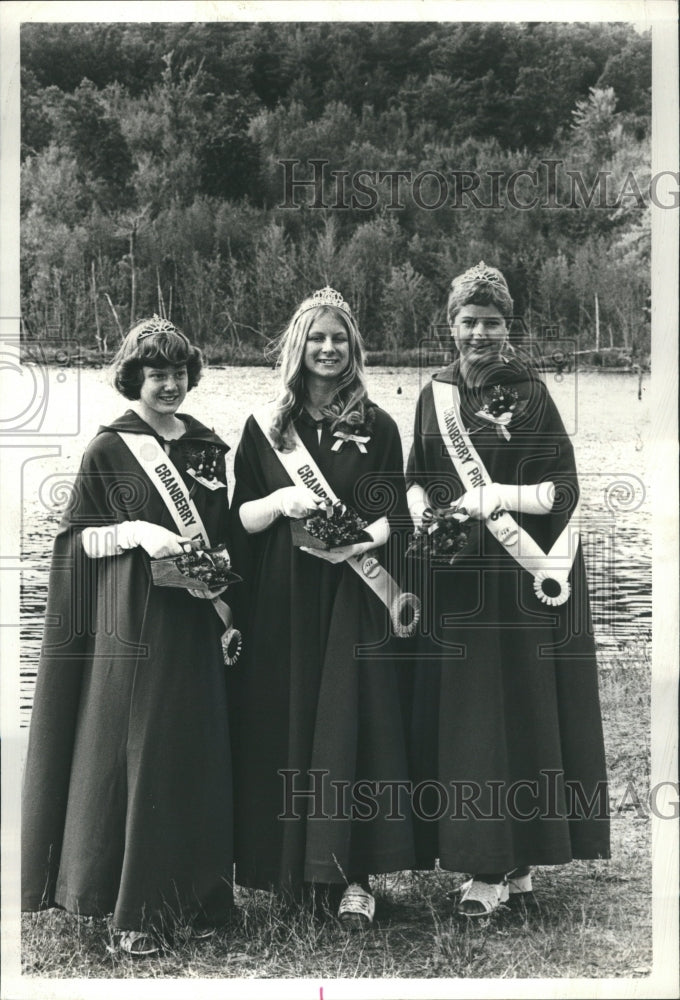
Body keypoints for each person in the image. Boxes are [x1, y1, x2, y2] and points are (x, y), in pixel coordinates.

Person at [22, 316, 235, 955]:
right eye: (156, 373)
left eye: (177, 373)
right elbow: (76, 540)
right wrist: (134, 533)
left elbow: (222, 529)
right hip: (135, 623)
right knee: (135, 754)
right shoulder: (109, 448)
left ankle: (197, 897)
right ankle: (132, 910)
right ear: (134, 378)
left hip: (196, 617)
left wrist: (218, 563)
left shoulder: (208, 446)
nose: (168, 384)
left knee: (190, 752)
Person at [406, 262, 610, 916]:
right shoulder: (433, 393)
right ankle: (502, 856)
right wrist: (419, 512)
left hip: (522, 576)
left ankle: (497, 868)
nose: (480, 334)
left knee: (517, 710)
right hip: (461, 574)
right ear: (451, 325)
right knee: (472, 717)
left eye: (492, 322)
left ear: (508, 327)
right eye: (469, 321)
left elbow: (563, 489)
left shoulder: (532, 394)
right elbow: (416, 473)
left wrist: (497, 496)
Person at [229, 287, 416, 926]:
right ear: (297, 348)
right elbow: (241, 519)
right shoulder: (264, 429)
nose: (328, 349)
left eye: (339, 338)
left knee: (347, 723)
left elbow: (394, 518)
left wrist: (363, 539)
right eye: (317, 338)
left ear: (354, 347)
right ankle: (290, 872)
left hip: (351, 593)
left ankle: (354, 876)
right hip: (282, 594)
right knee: (288, 719)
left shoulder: (380, 425)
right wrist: (282, 503)